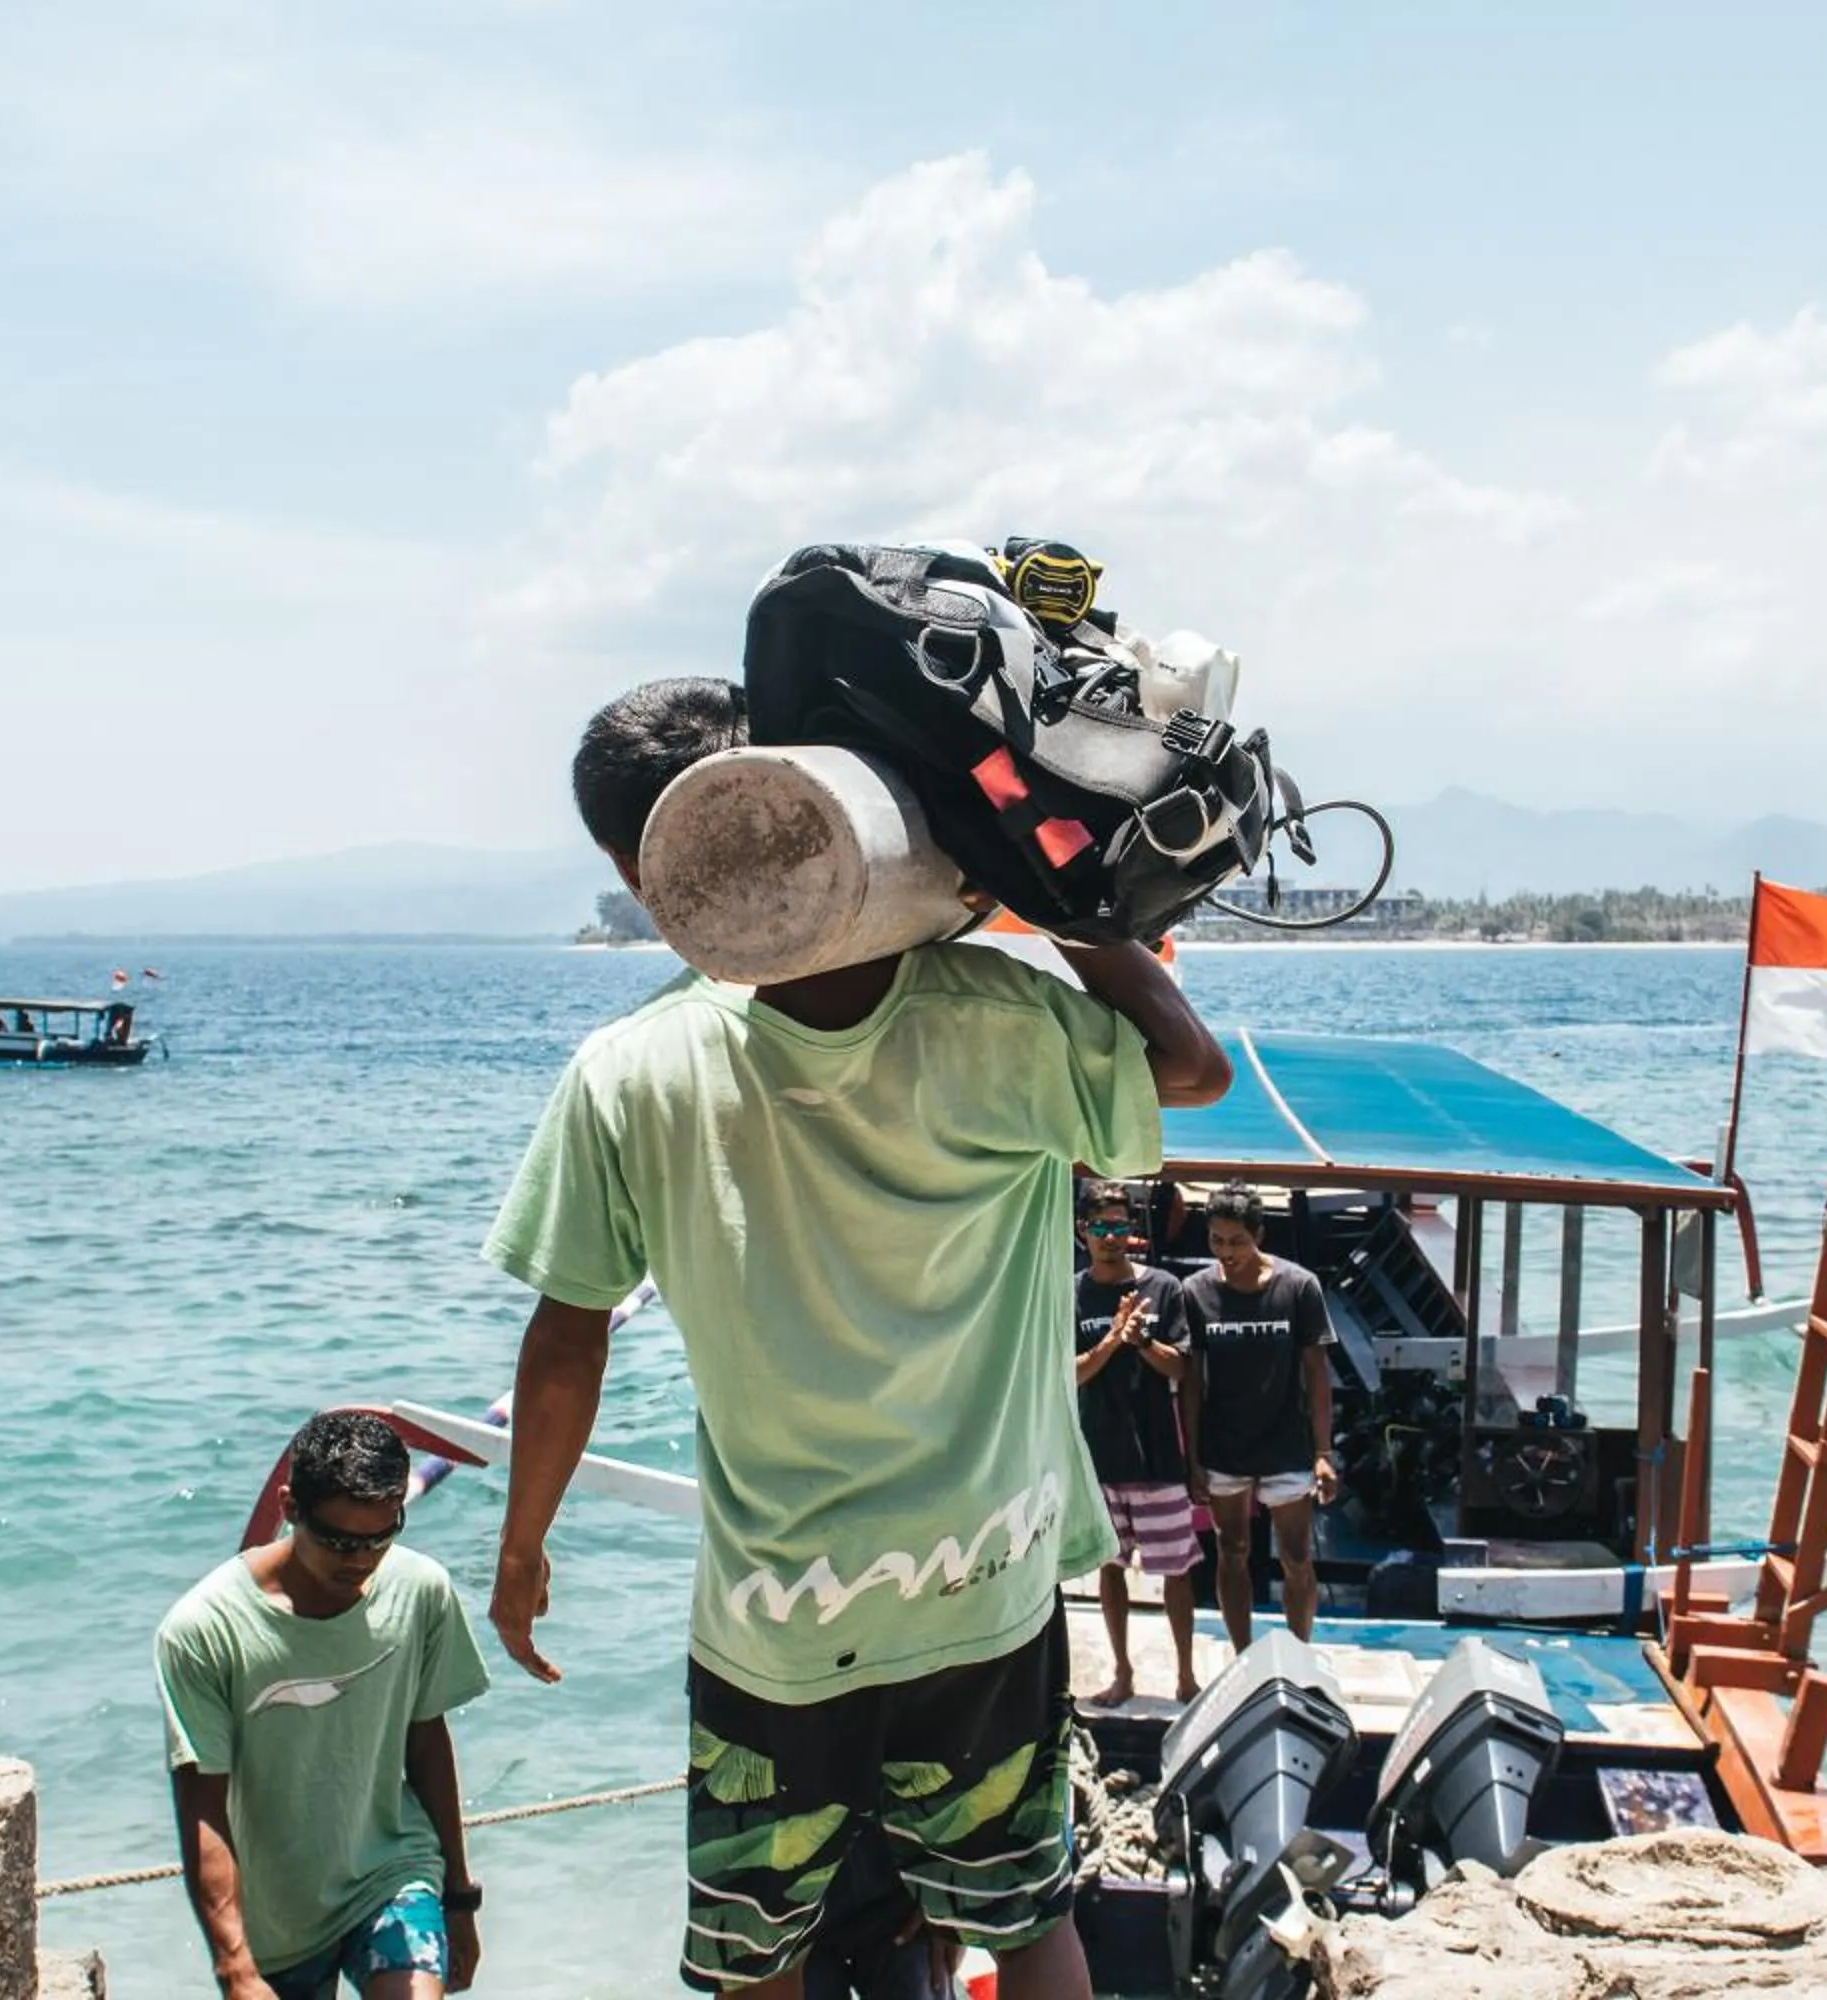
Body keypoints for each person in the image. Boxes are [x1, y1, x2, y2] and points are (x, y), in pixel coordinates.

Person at [483, 677, 1230, 1999]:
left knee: (756, 1952)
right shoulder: (1002, 1011)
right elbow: (1188, 1063)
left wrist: (524, 1545)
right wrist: (1043, 874)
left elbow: (568, 1337)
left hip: (781, 1613)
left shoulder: (629, 1071)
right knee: (1024, 1918)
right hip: (986, 1582)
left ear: (634, 866)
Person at [157, 1410, 489, 1999]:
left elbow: (427, 1740)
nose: (359, 1560)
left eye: (381, 1537)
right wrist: (234, 1965)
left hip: (393, 1873)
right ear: (288, 1508)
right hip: (276, 1919)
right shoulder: (203, 1628)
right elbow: (202, 1804)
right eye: (337, 1540)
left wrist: (459, 1897)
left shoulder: (421, 1591)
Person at [1178, 1185, 1338, 1647]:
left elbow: (1317, 1373)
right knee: (1232, 1551)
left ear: (1259, 1235)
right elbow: (1192, 1381)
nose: (1226, 1252)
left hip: (1286, 1444)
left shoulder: (1299, 1287)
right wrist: (1193, 1459)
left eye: (1236, 1241)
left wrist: (1323, 1451)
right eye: (1216, 1241)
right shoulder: (1196, 1292)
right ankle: (1243, 1655)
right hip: (1224, 1446)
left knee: (1296, 1557)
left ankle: (1299, 1652)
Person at [1070, 1179, 1200, 1705]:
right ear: (1083, 1232)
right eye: (1101, 1228)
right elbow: (1070, 1374)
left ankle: (1186, 1677)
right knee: (1110, 1569)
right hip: (1097, 1456)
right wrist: (1111, 1340)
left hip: (1157, 1457)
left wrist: (1143, 1339)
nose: (1111, 1238)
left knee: (1177, 1573)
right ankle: (1121, 1674)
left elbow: (1181, 1366)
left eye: (1120, 1227)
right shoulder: (1070, 1293)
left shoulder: (1164, 1288)